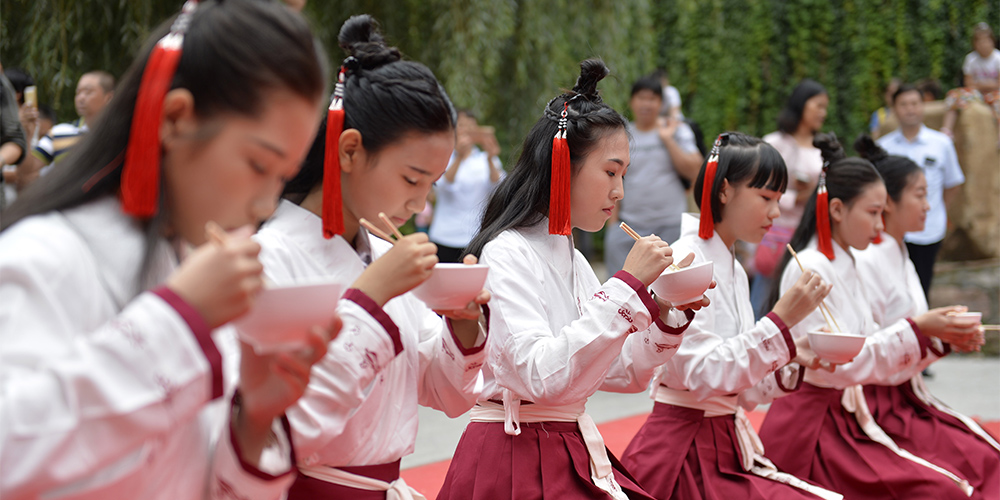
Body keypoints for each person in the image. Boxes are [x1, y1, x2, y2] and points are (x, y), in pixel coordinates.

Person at [0, 2, 337, 498]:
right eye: (257, 164)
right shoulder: (47, 254)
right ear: (177, 117)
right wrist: (177, 320)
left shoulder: (191, 266)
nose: (267, 202)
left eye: (283, 177)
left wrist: (255, 419)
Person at [438, 59, 708, 500]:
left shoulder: (574, 258)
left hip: (565, 444)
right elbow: (540, 376)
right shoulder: (506, 251)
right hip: (513, 457)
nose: (619, 192)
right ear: (562, 165)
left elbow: (620, 373)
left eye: (623, 175)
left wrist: (663, 315)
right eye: (610, 172)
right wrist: (625, 287)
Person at [254, 15, 489, 499]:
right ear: (350, 150)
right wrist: (371, 296)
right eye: (411, 179)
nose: (419, 204)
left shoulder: (383, 254)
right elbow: (283, 428)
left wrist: (463, 326)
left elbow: (441, 393)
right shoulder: (270, 257)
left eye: (431, 186)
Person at [621, 132, 842, 500]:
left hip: (720, 435)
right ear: (724, 190)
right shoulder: (686, 261)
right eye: (766, 197)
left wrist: (791, 352)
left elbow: (741, 388)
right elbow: (704, 374)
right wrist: (779, 323)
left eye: (779, 199)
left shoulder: (734, 267)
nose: (775, 212)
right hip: (686, 447)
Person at [759, 133, 979, 499]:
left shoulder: (845, 259)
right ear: (838, 209)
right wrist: (920, 330)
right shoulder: (811, 267)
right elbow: (839, 361)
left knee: (955, 480)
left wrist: (933, 334)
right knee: (945, 489)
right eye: (874, 213)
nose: (880, 225)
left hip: (846, 412)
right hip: (814, 427)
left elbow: (869, 340)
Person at [854, 135, 997, 498]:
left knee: (987, 455)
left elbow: (912, 330)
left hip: (906, 393)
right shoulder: (871, 258)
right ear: (888, 201)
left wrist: (945, 336)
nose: (929, 205)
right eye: (919, 194)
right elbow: (862, 350)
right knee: (966, 476)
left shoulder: (897, 250)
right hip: (877, 403)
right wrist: (927, 332)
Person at [604, 74, 702, 275]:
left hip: (671, 227)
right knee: (622, 283)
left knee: (670, 287)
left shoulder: (677, 131)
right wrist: (612, 225)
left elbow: (696, 169)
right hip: (629, 228)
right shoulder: (622, 136)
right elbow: (612, 178)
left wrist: (667, 140)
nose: (646, 104)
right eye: (641, 97)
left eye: (652, 98)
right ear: (632, 101)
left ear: (661, 103)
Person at [877, 84, 965, 299]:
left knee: (921, 287)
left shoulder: (941, 143)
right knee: (890, 287)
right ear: (894, 108)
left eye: (915, 103)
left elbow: (953, 183)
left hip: (929, 229)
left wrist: (934, 209)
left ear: (923, 106)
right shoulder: (883, 148)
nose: (910, 109)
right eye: (904, 104)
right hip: (892, 232)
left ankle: (919, 329)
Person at [750, 79, 828, 319]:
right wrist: (796, 197)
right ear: (801, 104)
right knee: (763, 296)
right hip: (773, 229)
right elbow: (756, 188)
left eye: (825, 108)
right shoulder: (775, 143)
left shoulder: (822, 148)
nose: (822, 113)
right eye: (818, 106)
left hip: (807, 231)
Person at [427, 109, 503, 262]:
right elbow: (441, 186)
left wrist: (490, 158)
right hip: (444, 236)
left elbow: (498, 188)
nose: (466, 131)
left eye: (471, 126)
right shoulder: (443, 158)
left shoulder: (485, 160)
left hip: (474, 237)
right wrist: (459, 156)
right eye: (461, 126)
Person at [17, 70, 115, 188]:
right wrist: (27, 135)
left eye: (88, 92)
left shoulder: (121, 134)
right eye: (78, 93)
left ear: (109, 97)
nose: (81, 98)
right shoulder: (59, 133)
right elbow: (26, 172)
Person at [941, 23, 1000, 140]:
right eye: (980, 41)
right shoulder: (971, 59)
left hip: (995, 95)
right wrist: (988, 84)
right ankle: (946, 130)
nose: (983, 45)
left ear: (992, 41)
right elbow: (969, 84)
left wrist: (980, 85)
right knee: (953, 96)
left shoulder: (998, 58)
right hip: (976, 94)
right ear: (974, 44)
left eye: (986, 41)